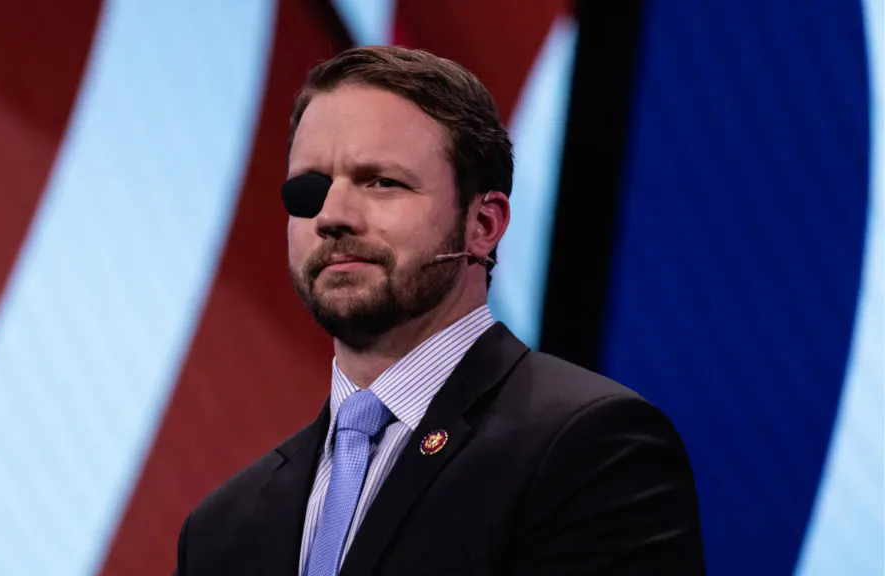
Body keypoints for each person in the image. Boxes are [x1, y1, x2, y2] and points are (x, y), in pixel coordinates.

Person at [174, 45, 704, 576]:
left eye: (382, 182)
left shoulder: (592, 449)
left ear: (484, 225)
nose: (331, 216)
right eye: (309, 190)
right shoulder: (221, 528)